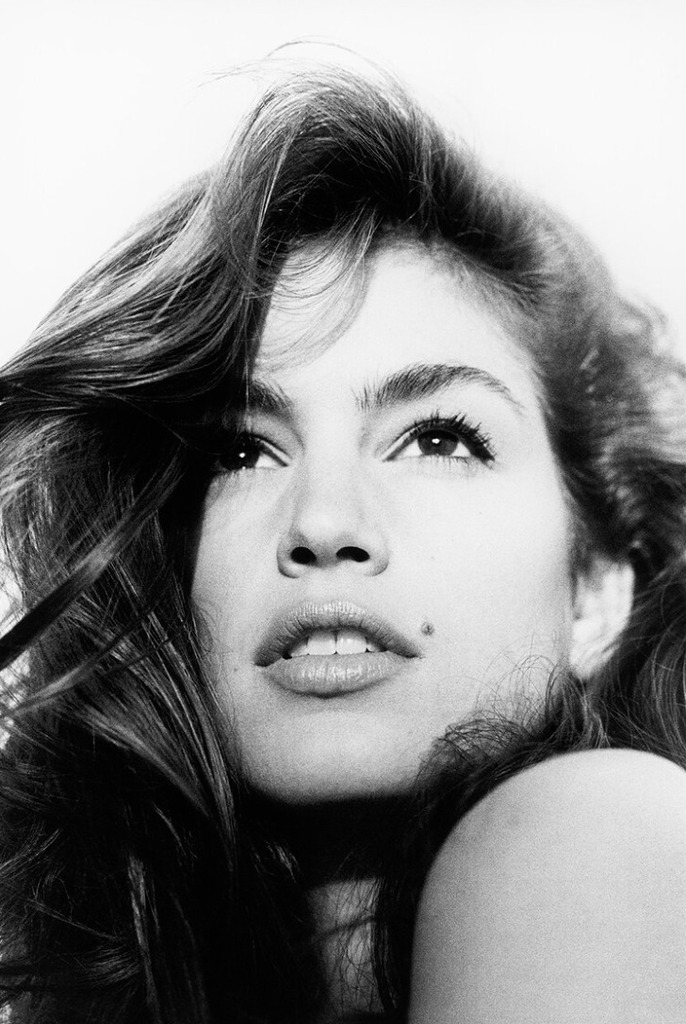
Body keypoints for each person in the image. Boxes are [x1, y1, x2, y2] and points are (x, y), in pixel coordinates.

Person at [0, 57, 685, 1024]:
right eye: (240, 451)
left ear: (596, 587)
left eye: (439, 440)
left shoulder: (593, 829)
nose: (323, 521)